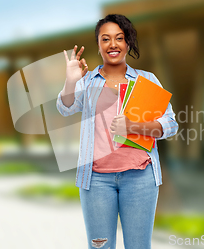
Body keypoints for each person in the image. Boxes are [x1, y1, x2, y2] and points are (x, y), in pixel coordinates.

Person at [56, 14, 178, 249]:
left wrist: (132, 127)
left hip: (140, 178)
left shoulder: (147, 80)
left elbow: (170, 124)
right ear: (99, 46)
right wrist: (70, 82)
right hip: (97, 181)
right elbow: (64, 108)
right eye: (105, 39)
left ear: (128, 42)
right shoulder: (88, 81)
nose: (113, 44)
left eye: (119, 38)